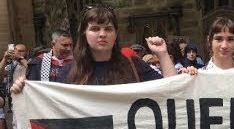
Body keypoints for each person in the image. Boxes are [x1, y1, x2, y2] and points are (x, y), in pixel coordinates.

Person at [12, 5, 176, 90]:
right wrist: (23, 90)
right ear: (84, 34)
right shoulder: (68, 73)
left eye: (108, 29)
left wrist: (162, 54)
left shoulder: (132, 64)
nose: (102, 34)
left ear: (116, 34)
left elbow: (171, 89)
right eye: (95, 29)